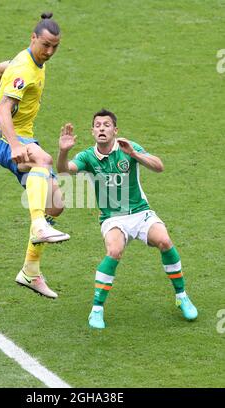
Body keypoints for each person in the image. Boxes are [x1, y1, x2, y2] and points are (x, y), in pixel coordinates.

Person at [57, 109, 198, 328]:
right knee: (114, 251)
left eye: (106, 124)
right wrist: (63, 152)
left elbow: (159, 167)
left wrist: (134, 154)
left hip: (140, 212)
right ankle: (96, 310)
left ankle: (182, 296)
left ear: (115, 130)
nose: (102, 128)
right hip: (113, 218)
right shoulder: (87, 156)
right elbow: (65, 171)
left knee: (165, 241)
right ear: (92, 131)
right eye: (97, 125)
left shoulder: (127, 147)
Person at [0, 12, 70, 299]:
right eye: (45, 45)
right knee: (42, 160)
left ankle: (30, 272)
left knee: (56, 204)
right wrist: (14, 144)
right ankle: (38, 225)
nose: (50, 51)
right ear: (33, 38)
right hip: (6, 140)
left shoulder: (30, 61)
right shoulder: (24, 70)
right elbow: (5, 109)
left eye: (55, 46)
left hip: (21, 136)